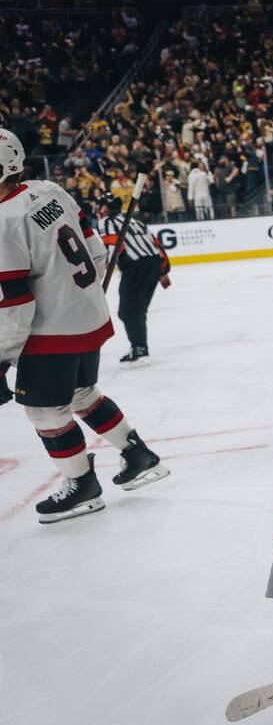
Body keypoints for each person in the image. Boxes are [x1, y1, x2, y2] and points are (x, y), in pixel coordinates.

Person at [0, 128, 169, 524]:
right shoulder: (48, 190)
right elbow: (93, 246)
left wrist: (2, 358)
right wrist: (85, 294)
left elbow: (15, 301)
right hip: (87, 316)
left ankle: (82, 487)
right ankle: (138, 455)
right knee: (81, 393)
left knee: (44, 412)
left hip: (50, 331)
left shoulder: (4, 220)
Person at [98, 192, 171, 364]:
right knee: (136, 310)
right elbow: (156, 244)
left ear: (105, 208)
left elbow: (112, 247)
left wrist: (101, 269)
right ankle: (139, 345)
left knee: (128, 311)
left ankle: (139, 348)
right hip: (153, 264)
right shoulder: (135, 220)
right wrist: (163, 271)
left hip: (136, 267)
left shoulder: (107, 222)